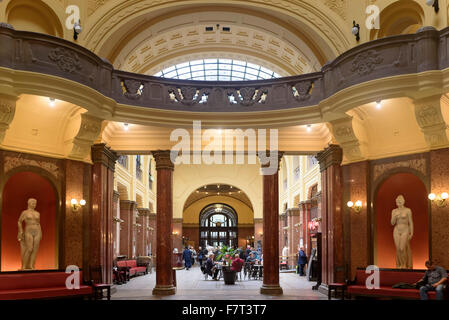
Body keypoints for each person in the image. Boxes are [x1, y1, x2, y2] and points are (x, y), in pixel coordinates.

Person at [17, 198, 42, 270]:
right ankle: (24, 266)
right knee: (29, 248)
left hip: (37, 230)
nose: (34, 204)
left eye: (35, 203)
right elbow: (19, 221)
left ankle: (31, 265)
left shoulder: (37, 213)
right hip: (29, 229)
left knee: (35, 249)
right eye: (33, 203)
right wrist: (20, 230)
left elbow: (39, 223)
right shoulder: (25, 212)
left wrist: (41, 232)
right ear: (29, 203)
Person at [391, 195, 413, 269]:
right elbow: (392, 223)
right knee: (398, 249)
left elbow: (410, 222)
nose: (399, 202)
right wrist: (394, 216)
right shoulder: (394, 211)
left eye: (400, 201)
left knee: (402, 248)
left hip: (405, 229)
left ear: (403, 201)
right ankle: (399, 265)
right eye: (397, 201)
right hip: (396, 229)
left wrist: (411, 232)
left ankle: (404, 264)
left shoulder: (408, 210)